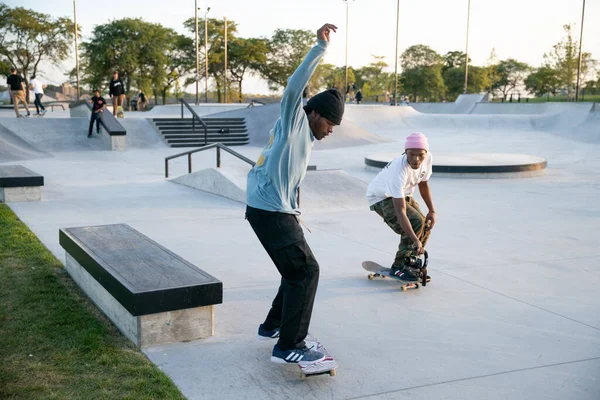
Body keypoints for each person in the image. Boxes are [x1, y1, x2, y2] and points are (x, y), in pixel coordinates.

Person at [245, 23, 344, 366]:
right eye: (329, 123)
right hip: (269, 210)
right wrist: (320, 47)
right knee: (307, 271)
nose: (331, 130)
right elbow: (294, 87)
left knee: (294, 271)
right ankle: (290, 345)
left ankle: (273, 326)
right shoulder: (294, 122)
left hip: (274, 210)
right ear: (313, 113)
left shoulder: (306, 139)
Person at [366, 132, 436, 282]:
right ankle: (398, 267)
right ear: (405, 152)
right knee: (415, 223)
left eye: (420, 155)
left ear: (426, 153)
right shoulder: (398, 170)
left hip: (404, 194)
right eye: (411, 154)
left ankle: (410, 263)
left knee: (424, 224)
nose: (416, 160)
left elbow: (423, 184)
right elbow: (400, 212)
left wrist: (432, 210)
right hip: (381, 197)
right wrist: (414, 239)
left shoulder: (428, 158)